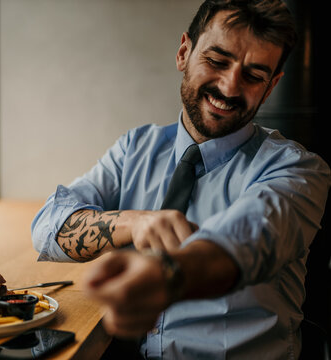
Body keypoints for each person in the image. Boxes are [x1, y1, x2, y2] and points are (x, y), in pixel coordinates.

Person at [31, 0, 331, 359]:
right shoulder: (135, 148)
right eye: (217, 61)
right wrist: (137, 222)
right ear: (184, 53)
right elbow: (48, 226)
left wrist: (166, 277)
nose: (230, 87)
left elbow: (248, 240)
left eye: (253, 75)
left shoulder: (298, 169)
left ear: (270, 87)